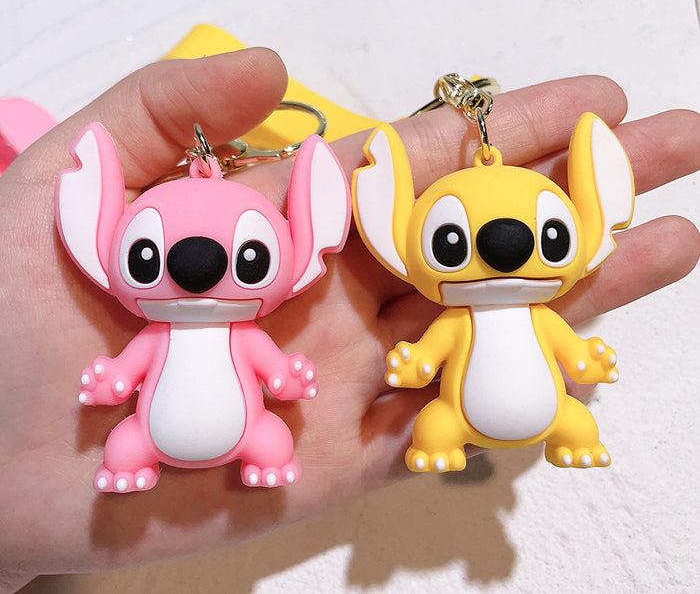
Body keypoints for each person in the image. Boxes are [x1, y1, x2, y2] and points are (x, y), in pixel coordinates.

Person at [0, 48, 698, 590]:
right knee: (168, 439)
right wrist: (118, 380)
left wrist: (576, 359)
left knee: (540, 415)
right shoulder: (173, 331)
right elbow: (172, 366)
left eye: (248, 258)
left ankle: (555, 435)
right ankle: (200, 459)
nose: (196, 268)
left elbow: (524, 343)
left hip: (517, 406)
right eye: (150, 256)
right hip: (161, 435)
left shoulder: (511, 314)